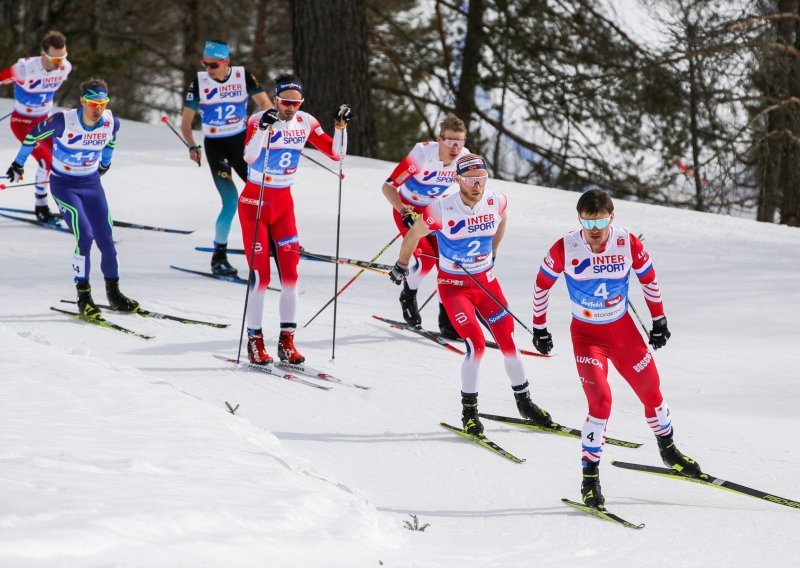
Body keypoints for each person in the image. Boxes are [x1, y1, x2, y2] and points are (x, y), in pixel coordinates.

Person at [531, 188, 701, 510]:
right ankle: (590, 479)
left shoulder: (627, 242)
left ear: (612, 217)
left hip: (623, 332)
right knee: (601, 402)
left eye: (600, 222)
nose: (594, 231)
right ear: (578, 219)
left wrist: (659, 320)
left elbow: (649, 280)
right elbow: (542, 285)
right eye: (586, 222)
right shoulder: (565, 247)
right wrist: (539, 327)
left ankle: (668, 450)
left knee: (652, 390)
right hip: (587, 336)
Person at [389, 153, 552, 436]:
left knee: (509, 340)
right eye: (470, 180)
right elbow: (413, 235)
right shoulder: (441, 208)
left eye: (481, 179)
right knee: (476, 345)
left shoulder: (497, 200)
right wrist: (402, 265)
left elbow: (502, 220)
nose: (477, 186)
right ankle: (469, 413)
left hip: (487, 283)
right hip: (454, 287)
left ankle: (525, 402)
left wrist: (494, 251)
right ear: (458, 179)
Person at [239, 75, 350, 365]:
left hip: (283, 203)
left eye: (296, 103)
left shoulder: (306, 122)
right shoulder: (258, 119)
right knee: (261, 277)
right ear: (276, 99)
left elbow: (337, 154)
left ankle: (287, 341)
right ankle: (254, 341)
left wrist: (340, 127)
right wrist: (264, 130)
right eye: (286, 102)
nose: (290, 108)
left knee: (291, 274)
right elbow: (249, 158)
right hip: (255, 202)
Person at [5, 79, 138, 317]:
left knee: (106, 239)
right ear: (82, 101)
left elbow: (111, 141)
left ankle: (114, 293)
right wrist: (18, 163)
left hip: (91, 184)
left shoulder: (110, 122)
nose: (97, 109)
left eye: (102, 103)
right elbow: (32, 136)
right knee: (85, 236)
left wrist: (105, 164)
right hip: (64, 185)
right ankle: (84, 297)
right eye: (92, 103)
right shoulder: (62, 121)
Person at [180, 40, 272, 276]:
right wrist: (192, 145)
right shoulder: (199, 83)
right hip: (216, 146)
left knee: (262, 190)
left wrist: (264, 126)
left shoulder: (243, 76)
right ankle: (218, 257)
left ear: (226, 62)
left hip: (241, 142)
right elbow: (186, 122)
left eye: (213, 65)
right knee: (231, 201)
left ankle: (273, 240)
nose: (208, 70)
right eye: (205, 64)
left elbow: (264, 104)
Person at [381, 115, 470, 339]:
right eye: (451, 142)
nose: (456, 148)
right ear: (439, 140)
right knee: (427, 260)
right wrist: (404, 211)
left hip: (432, 212)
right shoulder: (421, 154)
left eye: (460, 142)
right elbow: (388, 187)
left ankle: (447, 319)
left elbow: (469, 191)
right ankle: (408, 295)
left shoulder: (464, 159)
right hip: (407, 208)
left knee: (448, 263)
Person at [0, 30, 71, 222]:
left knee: (61, 161)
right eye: (54, 59)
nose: (59, 64)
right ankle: (41, 207)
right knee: (45, 161)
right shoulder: (24, 68)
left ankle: (68, 205)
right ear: (42, 55)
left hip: (44, 122)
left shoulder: (65, 68)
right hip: (22, 123)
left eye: (62, 58)